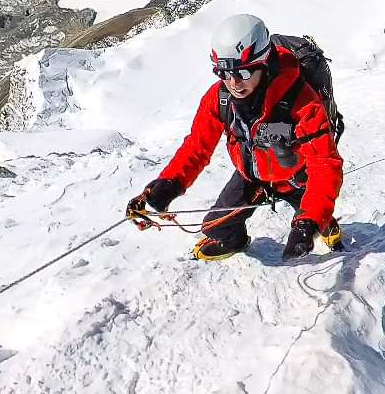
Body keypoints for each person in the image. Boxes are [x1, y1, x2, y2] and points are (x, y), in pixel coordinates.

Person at [127, 14, 344, 261]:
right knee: (214, 227)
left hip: (297, 177)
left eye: (242, 72)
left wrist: (309, 223)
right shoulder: (220, 99)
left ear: (263, 63)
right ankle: (236, 240)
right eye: (224, 73)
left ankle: (325, 223)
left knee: (311, 213)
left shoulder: (301, 101)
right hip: (251, 175)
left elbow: (324, 164)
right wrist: (167, 185)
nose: (234, 83)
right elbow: (198, 146)